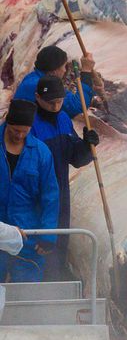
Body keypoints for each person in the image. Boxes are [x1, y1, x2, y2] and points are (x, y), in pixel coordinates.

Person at [32, 76, 99, 280]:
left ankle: (56, 289)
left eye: (59, 102)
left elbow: (75, 158)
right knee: (39, 249)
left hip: (61, 193)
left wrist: (87, 146)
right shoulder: (29, 124)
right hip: (36, 197)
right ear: (37, 98)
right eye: (50, 102)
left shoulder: (63, 119)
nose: (55, 107)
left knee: (60, 243)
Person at [0, 99, 60, 282]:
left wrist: (48, 235)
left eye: (24, 132)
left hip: (28, 233)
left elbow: (50, 196)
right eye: (14, 130)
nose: (19, 135)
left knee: (28, 292)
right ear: (7, 122)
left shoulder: (41, 152)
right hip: (0, 228)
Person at [14, 45, 97, 118]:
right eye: (64, 66)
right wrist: (86, 71)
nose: (65, 70)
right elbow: (77, 106)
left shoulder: (33, 77)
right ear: (54, 71)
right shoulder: (40, 85)